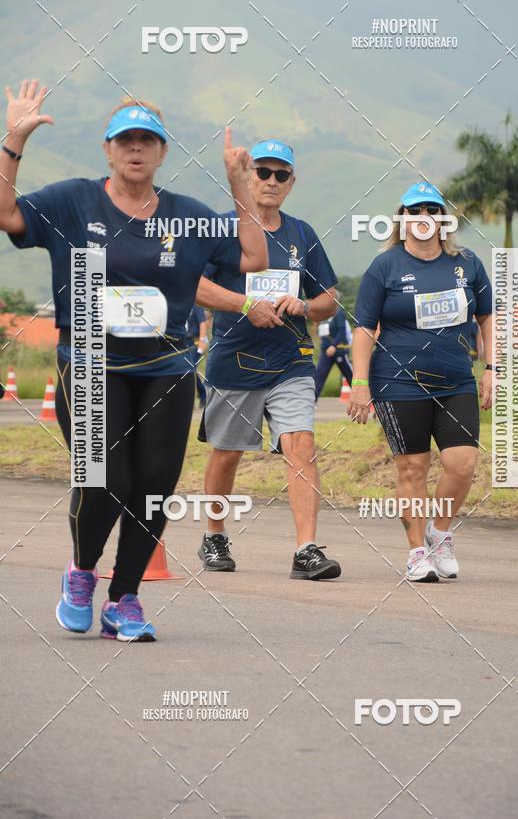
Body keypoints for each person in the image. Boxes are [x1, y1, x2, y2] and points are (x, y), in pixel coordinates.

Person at [0, 79, 267, 640]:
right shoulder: (72, 201)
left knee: (153, 487)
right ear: (108, 149)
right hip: (91, 364)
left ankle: (124, 599)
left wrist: (239, 185)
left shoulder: (187, 216)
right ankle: (81, 572)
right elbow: (6, 215)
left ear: (163, 151)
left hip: (166, 369)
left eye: (147, 140)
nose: (136, 148)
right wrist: (14, 140)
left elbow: (252, 256)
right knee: (104, 481)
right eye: (125, 140)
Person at [196, 139, 342, 580]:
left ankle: (306, 549)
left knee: (301, 444)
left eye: (282, 175)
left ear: (291, 183)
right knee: (227, 454)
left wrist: (306, 305)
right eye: (263, 172)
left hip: (290, 363)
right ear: (247, 176)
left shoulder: (302, 234)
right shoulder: (221, 229)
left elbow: (330, 297)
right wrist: (244, 304)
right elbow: (194, 285)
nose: (272, 181)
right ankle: (214, 535)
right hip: (234, 363)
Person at [349, 182, 493, 582]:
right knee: (413, 467)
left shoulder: (467, 263)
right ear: (402, 219)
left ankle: (439, 533)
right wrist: (359, 382)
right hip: (398, 381)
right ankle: (416, 553)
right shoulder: (385, 267)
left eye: (432, 210)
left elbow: (487, 316)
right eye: (415, 211)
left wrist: (492, 369)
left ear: (444, 219)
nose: (424, 217)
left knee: (462, 463)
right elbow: (364, 328)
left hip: (455, 380)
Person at [314, 305, 353, 399]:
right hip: (326, 352)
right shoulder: (322, 313)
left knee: (350, 376)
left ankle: (366, 399)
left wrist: (333, 345)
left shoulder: (338, 312)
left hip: (339, 350)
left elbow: (342, 331)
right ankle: (311, 402)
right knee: (319, 377)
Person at [185, 304, 209, 404]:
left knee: (190, 368)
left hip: (196, 342)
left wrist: (202, 341)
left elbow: (203, 322)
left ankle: (203, 395)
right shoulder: (184, 304)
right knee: (190, 370)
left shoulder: (196, 305)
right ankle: (203, 394)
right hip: (185, 343)